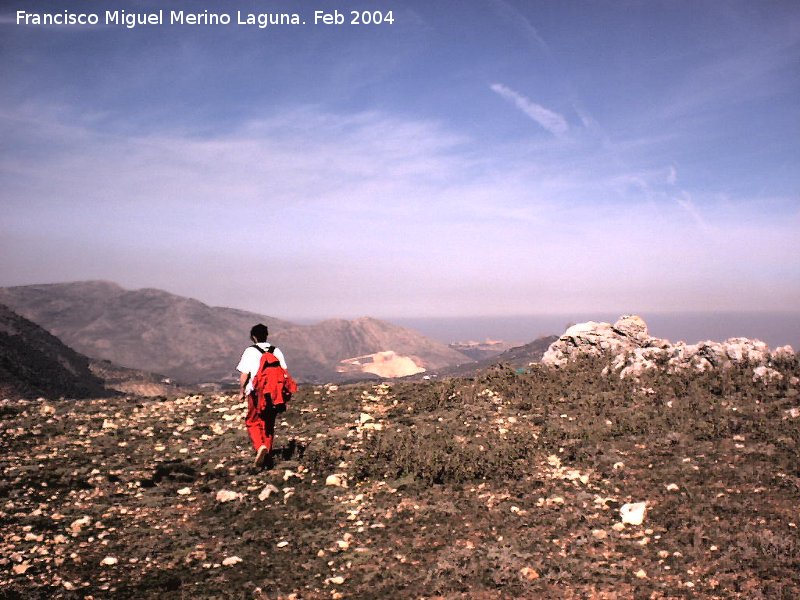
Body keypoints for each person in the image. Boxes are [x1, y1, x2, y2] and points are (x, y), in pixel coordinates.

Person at [236, 323, 288, 468]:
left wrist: (241, 392)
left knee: (252, 420)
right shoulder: (276, 351)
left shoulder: (250, 351)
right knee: (269, 423)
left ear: (253, 337)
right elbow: (283, 372)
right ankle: (268, 455)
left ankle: (260, 447)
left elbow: (244, 374)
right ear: (267, 335)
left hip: (256, 392)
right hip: (274, 393)